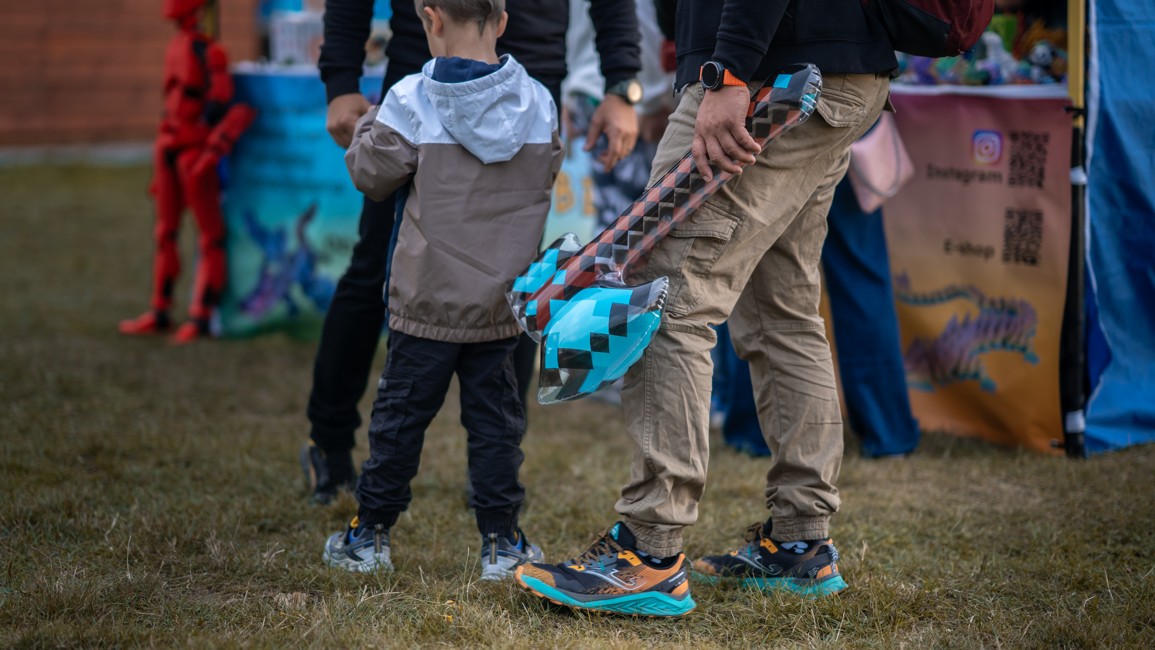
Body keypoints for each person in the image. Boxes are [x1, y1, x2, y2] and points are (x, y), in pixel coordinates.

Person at [514, 0, 896, 616]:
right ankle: (800, 542)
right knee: (782, 310)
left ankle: (649, 551)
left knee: (665, 302)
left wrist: (726, 72)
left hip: (764, 75)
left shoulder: (739, 73)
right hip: (835, 70)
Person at [302, 0, 641, 505]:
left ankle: (494, 471)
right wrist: (341, 80)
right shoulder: (411, 95)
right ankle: (330, 445)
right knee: (379, 265)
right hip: (424, 74)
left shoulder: (535, 102)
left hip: (530, 75)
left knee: (515, 282)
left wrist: (622, 83)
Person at [321, 0, 564, 579]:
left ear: (429, 20)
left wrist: (368, 126)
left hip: (425, 302)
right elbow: (547, 172)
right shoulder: (539, 102)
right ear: (501, 22)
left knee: (398, 424)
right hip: (501, 308)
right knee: (497, 430)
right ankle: (502, 544)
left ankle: (368, 536)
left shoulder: (410, 98)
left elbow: (371, 175)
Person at [715, 157, 921, 460]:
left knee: (762, 281)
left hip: (773, 146)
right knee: (856, 277)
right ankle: (886, 429)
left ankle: (756, 428)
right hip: (845, 142)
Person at [118, 0, 254, 344]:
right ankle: (160, 310)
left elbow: (224, 103)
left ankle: (201, 315)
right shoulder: (178, 46)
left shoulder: (210, 53)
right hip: (169, 145)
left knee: (209, 234)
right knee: (165, 232)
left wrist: (213, 146)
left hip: (194, 150)